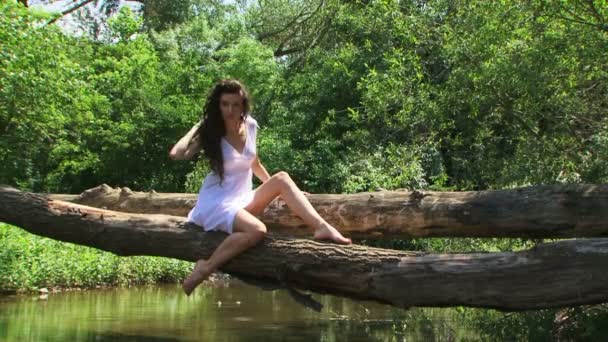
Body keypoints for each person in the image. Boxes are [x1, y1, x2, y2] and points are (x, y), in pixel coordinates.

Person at [169, 79, 352, 296]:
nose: (230, 110)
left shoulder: (251, 125)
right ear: (218, 105)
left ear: (243, 105)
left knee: (283, 178)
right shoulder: (211, 131)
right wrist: (196, 126)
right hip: (216, 201)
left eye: (235, 104)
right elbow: (176, 154)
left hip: (242, 197)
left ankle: (322, 227)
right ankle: (205, 268)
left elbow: (254, 163)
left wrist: (286, 190)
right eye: (224, 104)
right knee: (257, 230)